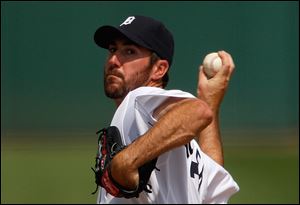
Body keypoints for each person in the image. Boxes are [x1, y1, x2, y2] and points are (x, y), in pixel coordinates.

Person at [93, 15, 239, 204]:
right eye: (112, 50)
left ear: (159, 69)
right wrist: (210, 100)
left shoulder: (139, 99)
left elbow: (198, 111)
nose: (113, 60)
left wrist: (125, 161)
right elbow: (210, 180)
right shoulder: (177, 139)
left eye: (129, 51)